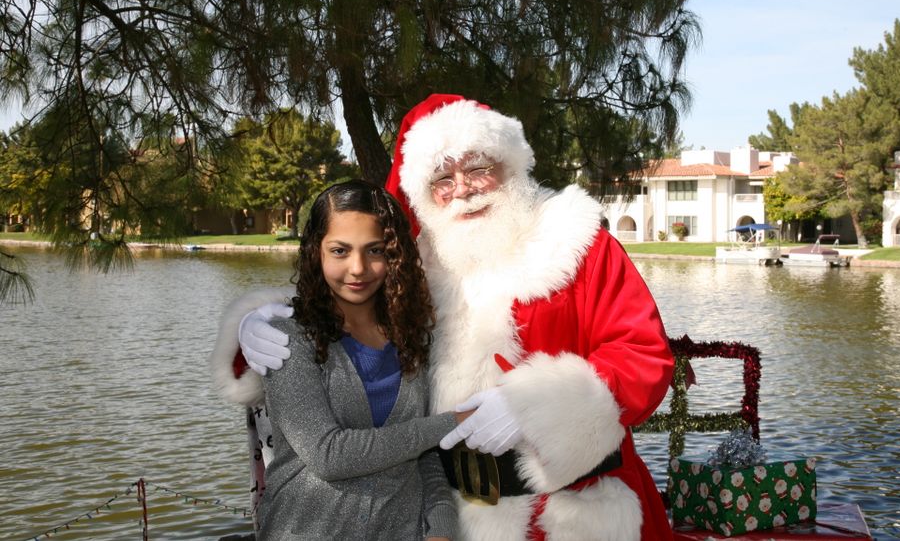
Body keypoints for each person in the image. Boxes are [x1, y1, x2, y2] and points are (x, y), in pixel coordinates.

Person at [223, 95, 675, 541]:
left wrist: (537, 405)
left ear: (509, 164)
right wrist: (254, 326)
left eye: (478, 167)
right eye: (442, 176)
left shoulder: (574, 242)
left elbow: (643, 356)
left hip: (576, 509)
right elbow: (337, 318)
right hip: (455, 515)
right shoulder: (411, 267)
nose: (462, 188)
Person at [215, 179, 466, 540]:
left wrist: (441, 528)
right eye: (340, 251)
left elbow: (424, 455)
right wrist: (452, 423)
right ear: (316, 251)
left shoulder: (411, 335)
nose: (358, 268)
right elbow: (329, 456)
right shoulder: (287, 339)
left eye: (375, 250)